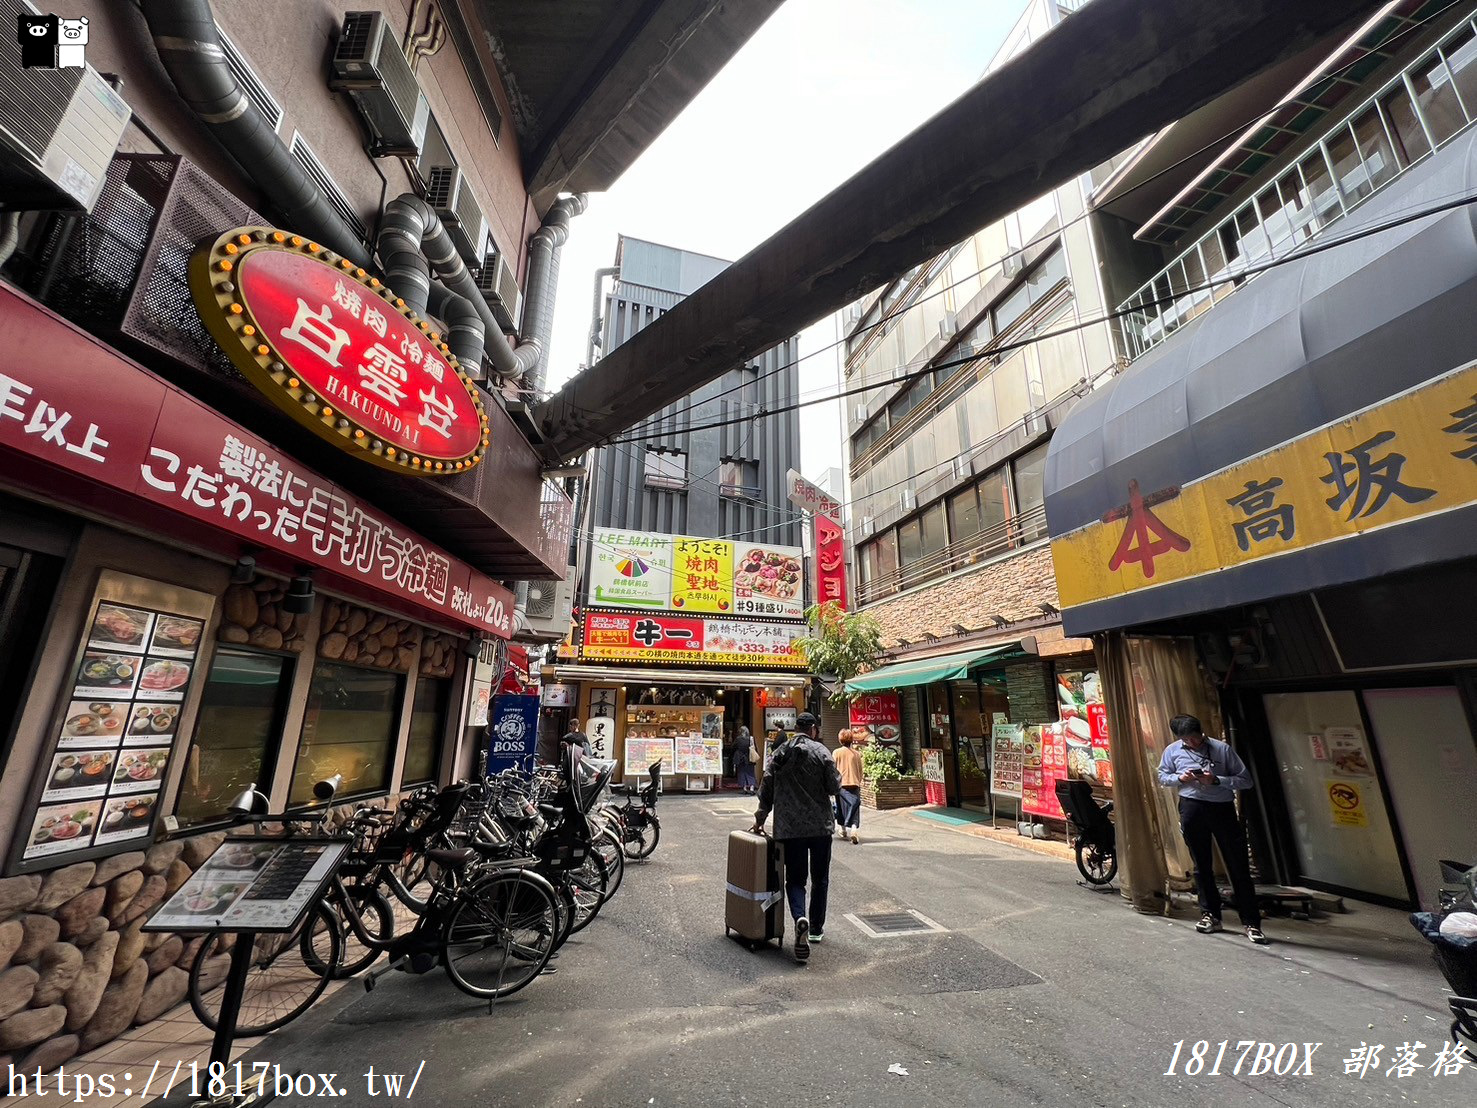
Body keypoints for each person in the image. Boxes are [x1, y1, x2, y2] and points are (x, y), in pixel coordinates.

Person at [1157, 713, 1268, 946]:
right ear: (1179, 738)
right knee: (1201, 865)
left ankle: (1251, 922)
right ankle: (1210, 915)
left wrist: (1217, 780)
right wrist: (1180, 777)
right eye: (1187, 740)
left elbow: (1245, 780)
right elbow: (1163, 777)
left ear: (1201, 732)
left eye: (1196, 738)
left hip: (1222, 808)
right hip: (1191, 807)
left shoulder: (1222, 749)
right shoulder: (1172, 751)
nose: (1193, 743)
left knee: (1238, 865)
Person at [750, 712, 841, 963]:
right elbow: (834, 788)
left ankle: (799, 916)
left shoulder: (780, 753)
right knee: (820, 879)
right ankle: (815, 929)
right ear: (812, 729)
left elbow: (766, 790)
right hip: (820, 828)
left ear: (796, 728)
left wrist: (760, 819)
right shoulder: (822, 752)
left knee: (795, 880)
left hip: (790, 829)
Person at [833, 729, 863, 844]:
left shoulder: (836, 752)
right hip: (854, 783)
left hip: (841, 785)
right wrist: (858, 780)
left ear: (840, 739)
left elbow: (833, 769)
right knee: (854, 807)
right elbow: (860, 771)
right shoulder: (856, 754)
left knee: (840, 807)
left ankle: (843, 829)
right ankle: (854, 829)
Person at [734, 724, 757, 794]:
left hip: (741, 759)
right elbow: (755, 748)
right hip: (749, 758)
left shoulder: (738, 739)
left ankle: (744, 788)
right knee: (751, 773)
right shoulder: (751, 739)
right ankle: (752, 788)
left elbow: (733, 747)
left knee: (742, 772)